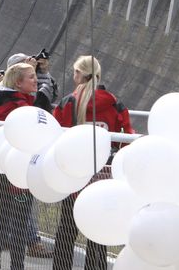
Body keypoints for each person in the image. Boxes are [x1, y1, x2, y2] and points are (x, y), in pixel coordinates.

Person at [52, 56, 134, 270]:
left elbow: (55, 133)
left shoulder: (69, 101)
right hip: (102, 177)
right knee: (98, 231)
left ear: (79, 74)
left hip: (74, 177)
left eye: (74, 72)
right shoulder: (114, 103)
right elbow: (126, 136)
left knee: (67, 229)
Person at [0, 62, 52, 270]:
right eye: (31, 77)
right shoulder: (20, 107)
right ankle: (16, 266)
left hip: (3, 171)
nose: (36, 80)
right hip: (19, 173)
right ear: (18, 82)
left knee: (1, 220)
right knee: (19, 224)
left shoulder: (3, 102)